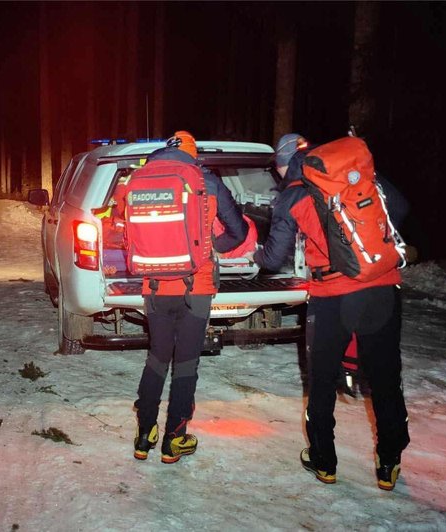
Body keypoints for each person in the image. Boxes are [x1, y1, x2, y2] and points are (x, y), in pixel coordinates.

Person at [252, 132, 410, 490]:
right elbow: (399, 209)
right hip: (382, 287)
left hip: (331, 297)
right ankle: (389, 462)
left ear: (281, 164)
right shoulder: (354, 174)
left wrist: (256, 255)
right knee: (386, 379)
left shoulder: (292, 195)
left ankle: (324, 461)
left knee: (321, 380)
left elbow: (274, 259)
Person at [114, 130, 248, 463]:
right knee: (186, 362)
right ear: (192, 155)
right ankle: (175, 439)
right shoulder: (206, 181)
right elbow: (238, 231)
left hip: (154, 286)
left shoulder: (136, 180)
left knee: (157, 357)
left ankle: (144, 435)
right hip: (196, 287)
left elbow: (121, 225)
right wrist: (215, 247)